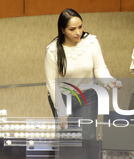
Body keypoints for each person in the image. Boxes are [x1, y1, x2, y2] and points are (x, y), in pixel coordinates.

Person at [45, 8, 121, 140]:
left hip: (87, 96)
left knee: (87, 137)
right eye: (72, 29)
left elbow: (99, 68)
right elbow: (52, 83)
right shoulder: (53, 50)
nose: (78, 32)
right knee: (65, 138)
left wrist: (109, 81)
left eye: (80, 27)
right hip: (63, 96)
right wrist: (61, 111)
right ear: (63, 30)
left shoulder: (91, 42)